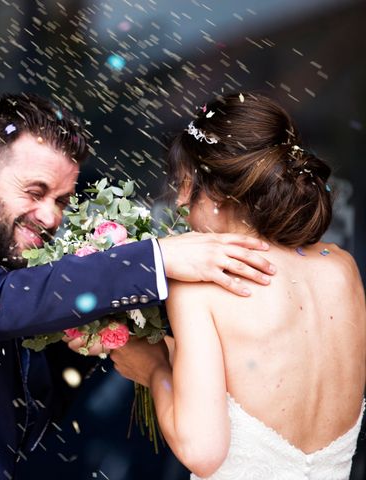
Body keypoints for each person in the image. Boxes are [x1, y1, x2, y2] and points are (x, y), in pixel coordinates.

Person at [0, 93, 275, 480]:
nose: (50, 216)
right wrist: (155, 259)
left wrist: (109, 330)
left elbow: (32, 380)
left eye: (60, 200)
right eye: (34, 191)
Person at [109, 92, 366, 479]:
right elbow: (268, 371)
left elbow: (202, 450)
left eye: (183, 183)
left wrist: (154, 369)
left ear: (217, 191)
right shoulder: (342, 268)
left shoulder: (203, 286)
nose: (179, 203)